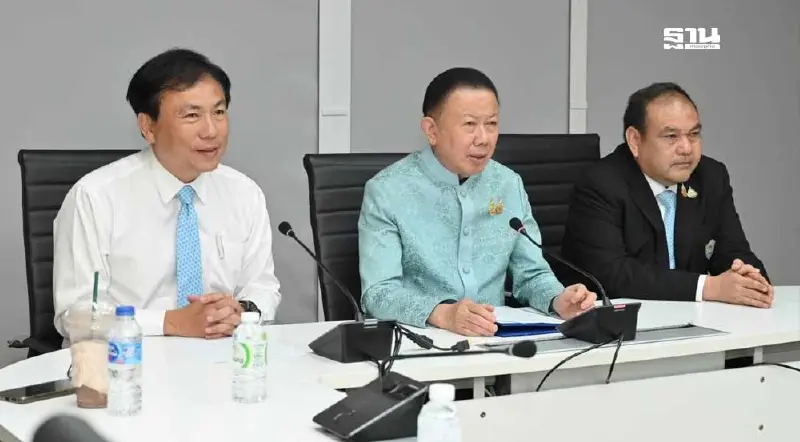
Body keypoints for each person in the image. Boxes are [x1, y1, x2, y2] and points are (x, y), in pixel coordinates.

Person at [53, 48, 282, 341]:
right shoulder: (95, 197)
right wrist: (170, 323)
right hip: (128, 358)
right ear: (148, 127)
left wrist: (241, 311)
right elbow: (77, 314)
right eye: (192, 115)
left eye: (219, 112)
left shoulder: (244, 193)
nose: (211, 131)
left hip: (221, 357)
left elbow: (263, 287)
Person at [358, 67, 597, 337]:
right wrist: (442, 313)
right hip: (422, 340)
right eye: (470, 125)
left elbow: (532, 273)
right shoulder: (387, 191)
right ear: (431, 130)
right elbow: (378, 293)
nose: (483, 139)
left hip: (495, 340)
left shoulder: (508, 184)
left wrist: (558, 298)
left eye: (491, 124)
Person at [561, 82, 773, 307]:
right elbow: (613, 274)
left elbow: (733, 251)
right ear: (635, 140)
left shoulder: (710, 177)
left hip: (694, 316)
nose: (686, 148)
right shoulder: (601, 183)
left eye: (694, 134)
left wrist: (749, 279)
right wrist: (707, 287)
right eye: (671, 136)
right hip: (623, 319)